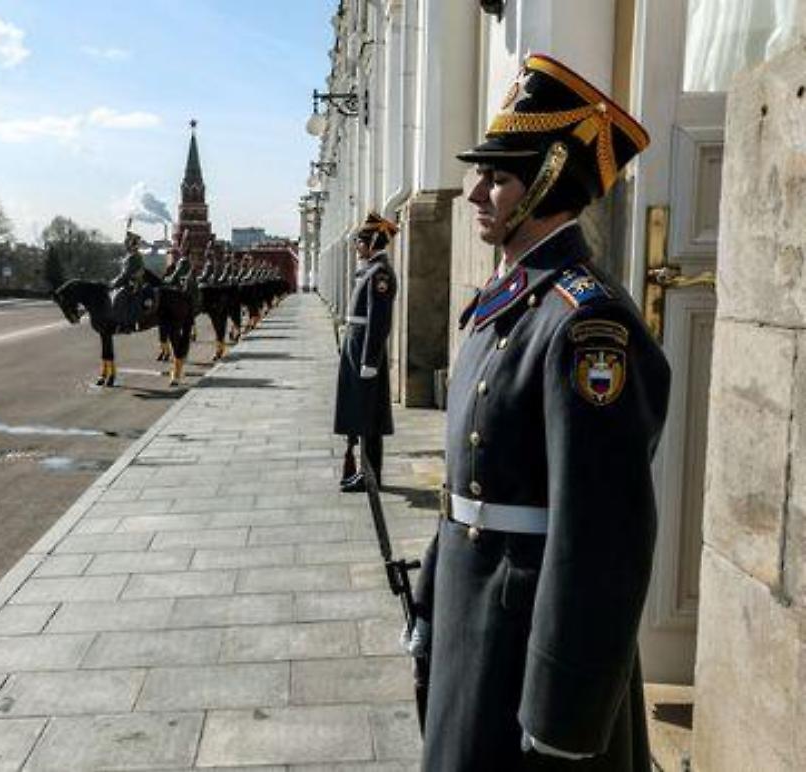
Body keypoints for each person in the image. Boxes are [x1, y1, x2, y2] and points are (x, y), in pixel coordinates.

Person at [409, 54, 671, 771]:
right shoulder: (509, 303)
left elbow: (603, 538)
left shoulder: (586, 324)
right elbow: (463, 487)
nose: (474, 192)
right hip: (474, 609)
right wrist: (433, 595)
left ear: (551, 183)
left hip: (524, 638)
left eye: (497, 178)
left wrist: (564, 712)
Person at [333, 211, 398, 492]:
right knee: (360, 412)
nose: (357, 246)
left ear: (372, 242)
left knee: (369, 416)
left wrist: (370, 361)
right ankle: (364, 472)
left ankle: (371, 475)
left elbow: (379, 321)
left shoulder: (379, 273)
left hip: (364, 352)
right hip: (356, 347)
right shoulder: (370, 270)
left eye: (360, 241)